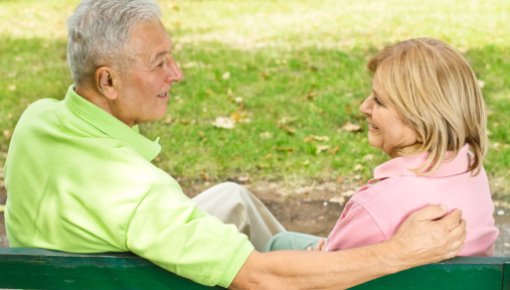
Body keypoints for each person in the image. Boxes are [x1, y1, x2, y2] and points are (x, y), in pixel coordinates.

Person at [4, 1, 466, 289]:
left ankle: (317, 255)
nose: (177, 73)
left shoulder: (38, 120)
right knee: (271, 262)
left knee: (233, 198)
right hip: (135, 277)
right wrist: (400, 252)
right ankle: (322, 262)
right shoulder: (139, 194)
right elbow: (258, 278)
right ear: (107, 80)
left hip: (71, 270)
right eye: (159, 62)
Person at [266, 38, 498, 257]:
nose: (363, 106)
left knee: (275, 244)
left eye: (379, 101)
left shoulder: (375, 206)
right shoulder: (471, 169)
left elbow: (327, 276)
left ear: (421, 119)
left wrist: (317, 258)